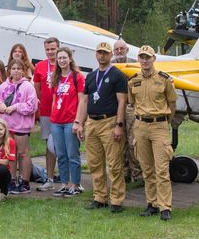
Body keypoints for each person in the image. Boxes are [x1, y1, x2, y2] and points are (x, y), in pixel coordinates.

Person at [127, 45, 177, 221]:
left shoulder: (164, 80)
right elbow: (133, 103)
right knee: (146, 169)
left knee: (162, 169)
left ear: (154, 59)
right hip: (140, 127)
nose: (145, 60)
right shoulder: (133, 81)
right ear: (138, 59)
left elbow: (172, 104)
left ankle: (165, 207)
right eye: (142, 57)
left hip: (159, 126)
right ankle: (152, 204)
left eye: (148, 57)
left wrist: (164, 122)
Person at [80, 41, 128, 212]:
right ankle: (100, 197)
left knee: (114, 163)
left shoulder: (117, 75)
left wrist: (119, 125)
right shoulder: (91, 76)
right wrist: (80, 123)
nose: (102, 56)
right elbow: (84, 101)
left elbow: (122, 101)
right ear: (96, 54)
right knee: (94, 162)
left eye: (106, 53)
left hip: (109, 121)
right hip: (92, 122)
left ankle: (116, 200)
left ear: (111, 55)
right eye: (99, 53)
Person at [0, 60, 38, 193]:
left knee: (22, 153)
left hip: (21, 126)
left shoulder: (28, 86)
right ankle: (11, 180)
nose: (16, 70)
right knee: (10, 153)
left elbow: (32, 105)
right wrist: (0, 104)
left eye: (18, 68)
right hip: (7, 125)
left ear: (23, 71)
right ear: (9, 70)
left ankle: (25, 182)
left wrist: (15, 107)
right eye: (13, 68)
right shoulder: (4, 85)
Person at [48, 47, 85, 198]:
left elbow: (83, 100)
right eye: (59, 58)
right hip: (56, 121)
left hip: (71, 121)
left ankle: (75, 184)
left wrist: (79, 121)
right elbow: (54, 99)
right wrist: (52, 118)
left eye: (64, 58)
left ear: (70, 59)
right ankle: (64, 184)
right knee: (61, 154)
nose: (62, 61)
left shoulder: (78, 77)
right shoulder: (56, 77)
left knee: (72, 154)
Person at [112, 38, 143, 185]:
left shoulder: (135, 65)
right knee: (119, 141)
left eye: (122, 49)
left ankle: (137, 173)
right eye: (116, 49)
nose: (119, 52)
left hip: (131, 106)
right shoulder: (110, 65)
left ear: (127, 50)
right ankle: (124, 173)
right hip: (115, 107)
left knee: (133, 141)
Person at [31, 37, 60, 190]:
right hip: (46, 112)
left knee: (63, 145)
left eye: (53, 49)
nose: (50, 52)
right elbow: (36, 90)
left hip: (62, 113)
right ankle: (49, 177)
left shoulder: (64, 64)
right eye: (47, 49)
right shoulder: (40, 66)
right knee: (49, 146)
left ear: (58, 48)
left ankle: (67, 177)